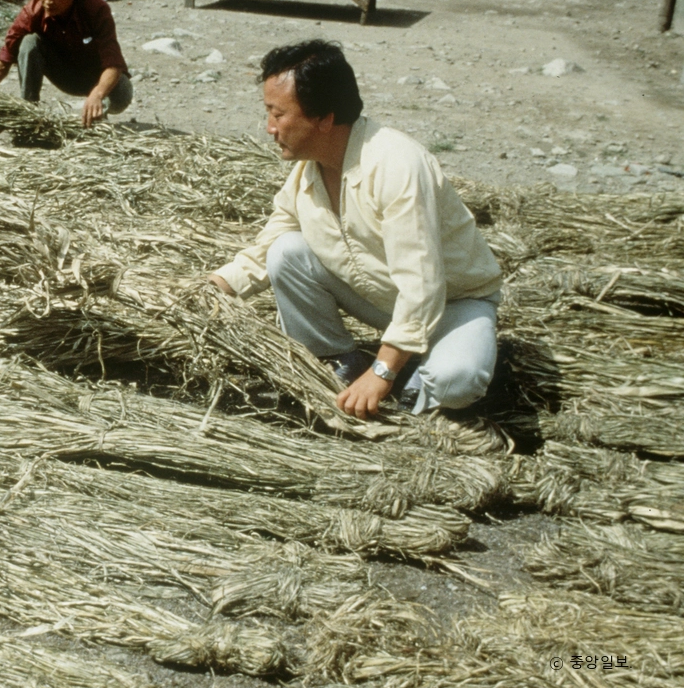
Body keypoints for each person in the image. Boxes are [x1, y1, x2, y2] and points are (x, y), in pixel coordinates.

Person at [207, 40, 503, 419]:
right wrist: (210, 291)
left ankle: (410, 384)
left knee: (456, 379)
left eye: (277, 114)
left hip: (452, 303)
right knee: (286, 251)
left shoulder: (396, 165)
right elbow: (266, 248)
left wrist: (382, 373)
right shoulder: (309, 170)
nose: (269, 128)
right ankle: (338, 362)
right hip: (384, 301)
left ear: (324, 119)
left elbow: (423, 286)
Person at [0, 0, 133, 128]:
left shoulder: (96, 10)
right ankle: (29, 115)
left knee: (120, 95)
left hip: (99, 78)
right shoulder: (32, 13)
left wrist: (97, 94)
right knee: (29, 42)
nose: (48, 1)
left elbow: (113, 63)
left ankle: (96, 115)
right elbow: (3, 63)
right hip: (65, 76)